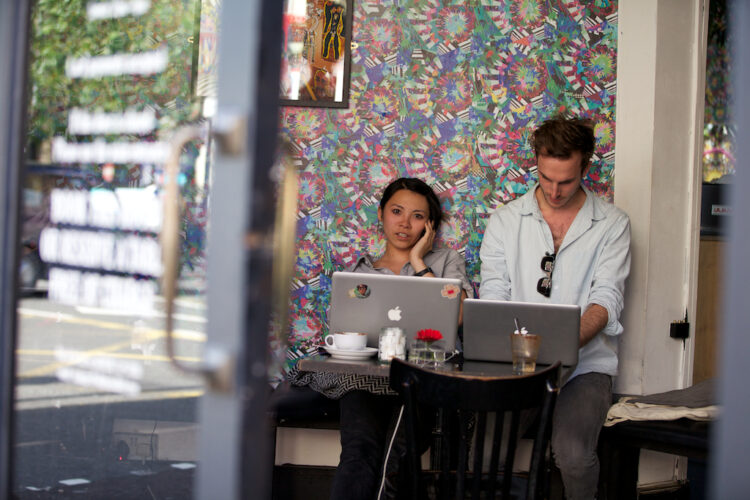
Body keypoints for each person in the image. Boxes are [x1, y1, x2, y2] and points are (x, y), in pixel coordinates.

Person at [479, 116, 631, 500]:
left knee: (575, 457)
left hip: (585, 368)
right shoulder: (505, 220)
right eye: (546, 178)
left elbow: (606, 300)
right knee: (482, 456)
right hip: (517, 367)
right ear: (537, 161)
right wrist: (521, 350)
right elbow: (494, 295)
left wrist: (563, 345)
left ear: (586, 164)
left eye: (566, 180)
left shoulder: (613, 224)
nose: (555, 190)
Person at [331, 177, 473, 500]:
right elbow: (343, 331)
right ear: (381, 214)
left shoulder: (446, 261)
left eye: (418, 216)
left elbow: (459, 316)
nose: (405, 223)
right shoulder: (361, 273)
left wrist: (419, 263)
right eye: (397, 211)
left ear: (430, 225)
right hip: (367, 379)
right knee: (358, 451)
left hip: (424, 380)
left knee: (396, 456)